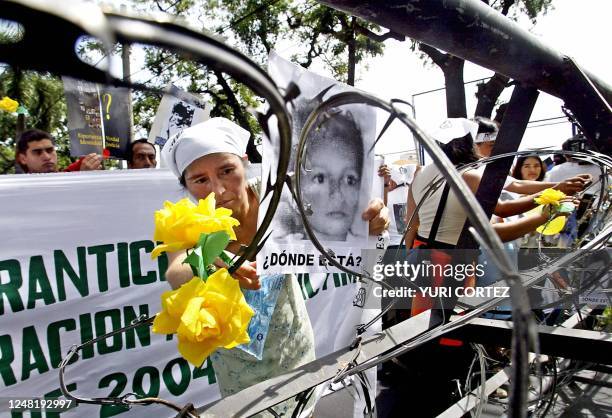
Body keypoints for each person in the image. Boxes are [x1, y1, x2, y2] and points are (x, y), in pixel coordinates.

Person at [161, 117, 389, 415]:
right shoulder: (185, 222)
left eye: (227, 171)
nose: (217, 189)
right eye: (200, 180)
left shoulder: (277, 197)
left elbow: (339, 208)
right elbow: (175, 271)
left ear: (244, 163)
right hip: (237, 367)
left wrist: (369, 216)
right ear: (186, 185)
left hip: (294, 348)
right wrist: (205, 260)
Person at [16, 129, 102, 173]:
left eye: (50, 150)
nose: (47, 157)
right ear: (23, 158)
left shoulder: (79, 169)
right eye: (37, 152)